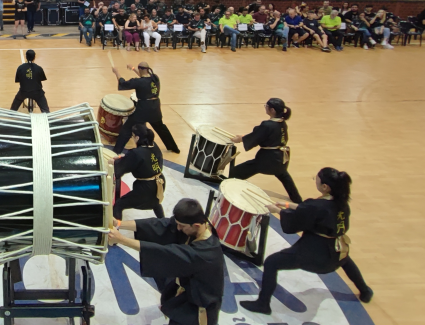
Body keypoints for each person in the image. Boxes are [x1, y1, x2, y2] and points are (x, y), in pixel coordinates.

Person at [240, 167, 373, 314]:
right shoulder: (341, 203)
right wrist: (289, 205)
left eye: (316, 179)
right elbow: (311, 211)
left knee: (272, 262)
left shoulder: (317, 206)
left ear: (325, 187)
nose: (314, 179)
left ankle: (263, 304)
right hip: (337, 249)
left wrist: (277, 210)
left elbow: (300, 218)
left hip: (316, 255)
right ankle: (365, 290)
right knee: (345, 260)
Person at [107, 199, 224, 325]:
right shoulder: (199, 225)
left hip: (198, 306)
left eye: (182, 226)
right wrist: (119, 223)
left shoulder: (205, 253)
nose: (178, 228)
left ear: (196, 225)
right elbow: (163, 225)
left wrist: (122, 239)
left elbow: (164, 252)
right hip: (187, 287)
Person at [229, 98, 303, 203]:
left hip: (267, 159)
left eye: (266, 106)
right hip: (281, 158)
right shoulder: (282, 123)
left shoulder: (267, 125)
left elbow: (257, 136)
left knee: (236, 172)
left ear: (272, 110)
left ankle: (229, 188)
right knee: (283, 175)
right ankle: (298, 200)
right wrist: (244, 136)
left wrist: (241, 139)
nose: (266, 108)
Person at [111, 62, 180, 154]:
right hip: (155, 108)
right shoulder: (155, 78)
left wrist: (117, 72)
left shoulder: (138, 82)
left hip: (143, 109)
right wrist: (133, 68)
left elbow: (123, 83)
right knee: (161, 128)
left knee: (127, 128)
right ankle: (174, 148)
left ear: (140, 70)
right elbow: (143, 78)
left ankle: (117, 150)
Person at [113, 124, 165, 219]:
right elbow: (144, 159)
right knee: (155, 202)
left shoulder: (136, 153)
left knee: (119, 205)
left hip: (146, 190)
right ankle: (164, 223)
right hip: (160, 183)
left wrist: (115, 162)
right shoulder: (155, 146)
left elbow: (119, 170)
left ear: (137, 137)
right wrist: (125, 157)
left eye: (133, 136)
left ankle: (115, 231)